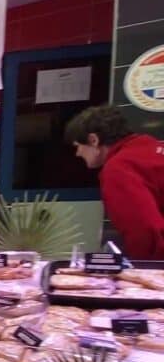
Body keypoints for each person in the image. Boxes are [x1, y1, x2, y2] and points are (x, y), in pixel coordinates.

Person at [66, 106, 164, 259]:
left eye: (78, 146)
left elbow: (144, 231)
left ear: (93, 140)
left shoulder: (118, 168)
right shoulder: (152, 149)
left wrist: (140, 272)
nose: (77, 153)